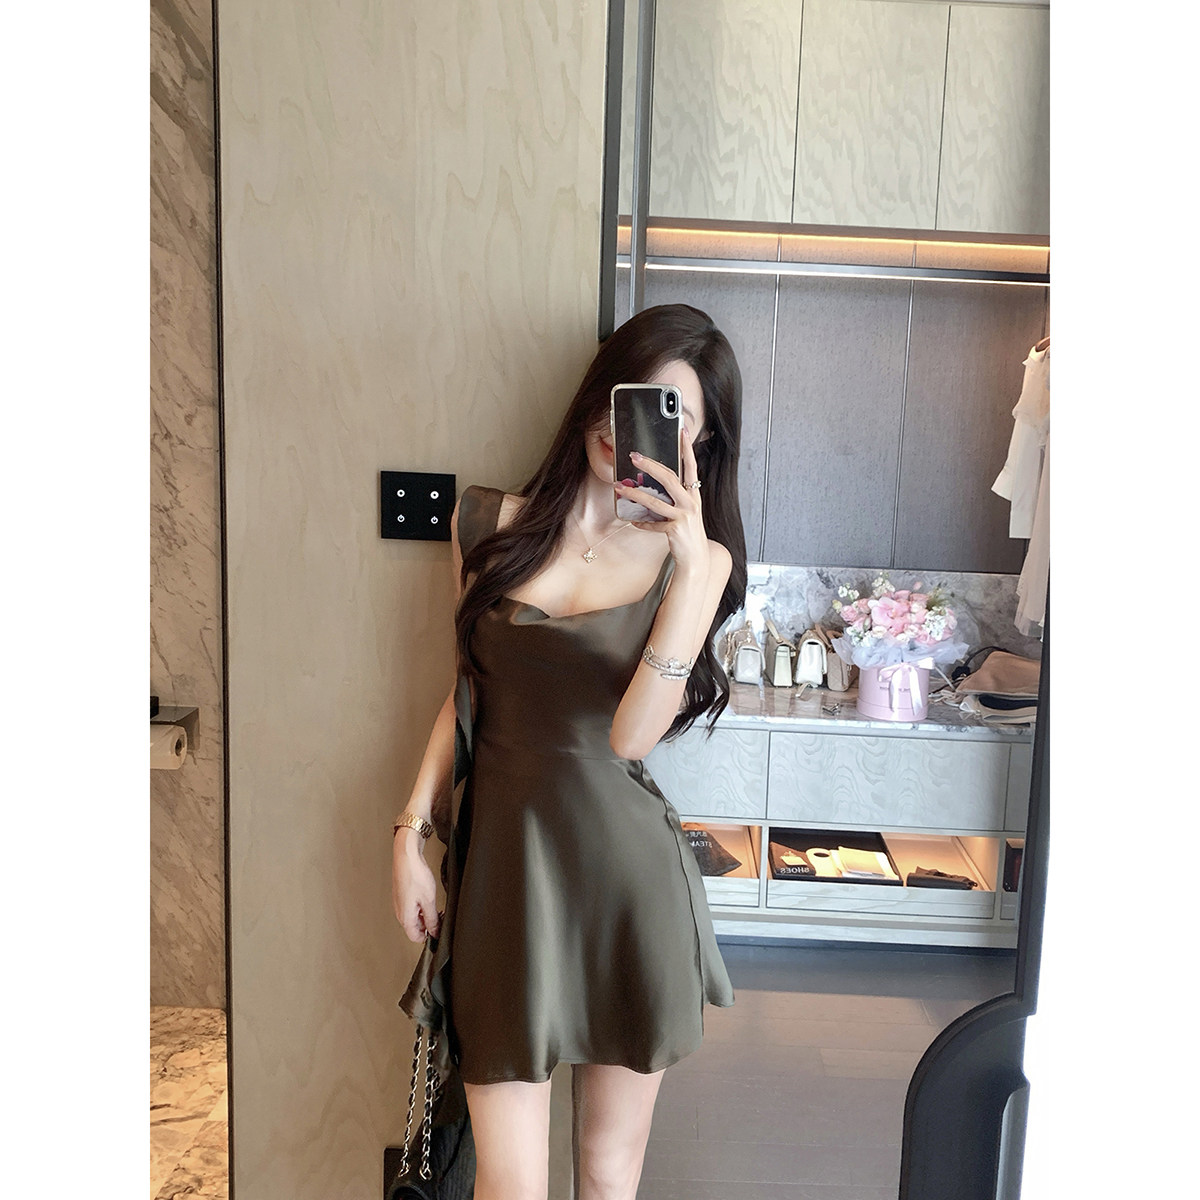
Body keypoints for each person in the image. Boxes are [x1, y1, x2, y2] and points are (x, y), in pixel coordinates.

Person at [391, 303, 747, 1200]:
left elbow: (631, 737)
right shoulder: (485, 523)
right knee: (508, 1185)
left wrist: (693, 572)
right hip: (507, 879)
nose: (628, 429)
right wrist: (411, 833)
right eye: (632, 394)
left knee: (607, 1175)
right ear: (599, 391)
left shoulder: (698, 566)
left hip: (627, 883)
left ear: (697, 447)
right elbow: (465, 692)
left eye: (671, 416)